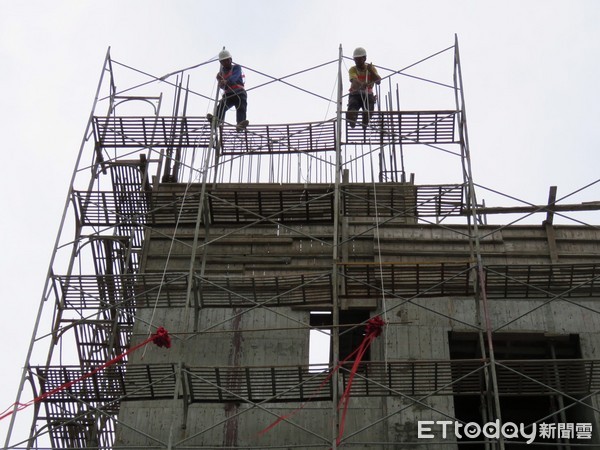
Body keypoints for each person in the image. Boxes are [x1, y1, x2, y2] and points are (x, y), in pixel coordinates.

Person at [208, 48, 249, 131]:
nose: (225, 62)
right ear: (221, 62)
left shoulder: (236, 67)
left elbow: (234, 78)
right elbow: (223, 87)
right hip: (228, 94)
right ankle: (216, 120)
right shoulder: (221, 72)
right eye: (223, 61)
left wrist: (226, 81)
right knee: (221, 106)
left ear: (230, 59)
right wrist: (220, 81)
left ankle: (240, 124)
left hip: (239, 92)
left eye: (227, 60)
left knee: (241, 106)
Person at [347, 47, 381, 129]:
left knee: (370, 105)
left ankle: (366, 118)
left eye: (359, 59)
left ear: (364, 58)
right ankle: (352, 118)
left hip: (367, 94)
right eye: (355, 59)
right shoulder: (353, 69)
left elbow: (378, 81)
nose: (357, 61)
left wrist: (371, 71)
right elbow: (354, 80)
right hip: (355, 94)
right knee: (353, 105)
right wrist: (361, 84)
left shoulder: (371, 69)